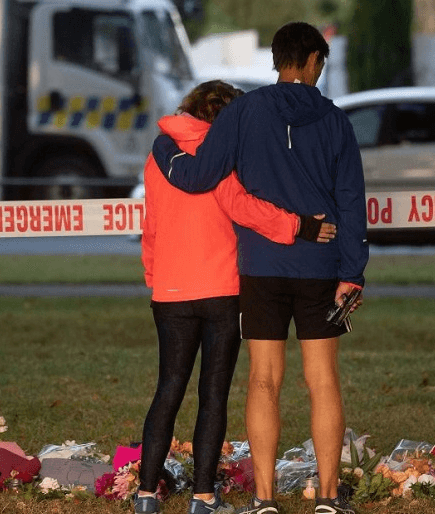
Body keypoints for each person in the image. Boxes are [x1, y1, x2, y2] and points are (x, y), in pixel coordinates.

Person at [151, 22, 369, 514]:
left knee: (264, 380)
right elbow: (352, 204)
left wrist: (164, 147)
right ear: (313, 60)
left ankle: (264, 499)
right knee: (323, 381)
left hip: (261, 269)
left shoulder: (244, 111)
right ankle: (330, 499)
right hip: (322, 268)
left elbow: (198, 175)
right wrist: (353, 276)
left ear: (276, 59)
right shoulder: (336, 120)